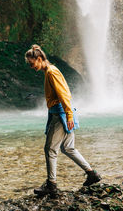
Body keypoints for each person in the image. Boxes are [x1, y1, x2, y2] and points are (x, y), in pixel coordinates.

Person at [25, 44, 101, 197]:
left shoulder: (52, 72)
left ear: (39, 59)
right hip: (62, 113)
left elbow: (64, 94)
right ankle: (92, 174)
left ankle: (51, 185)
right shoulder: (49, 71)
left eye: (32, 63)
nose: (31, 67)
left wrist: (68, 115)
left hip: (60, 115)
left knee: (50, 149)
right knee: (68, 148)